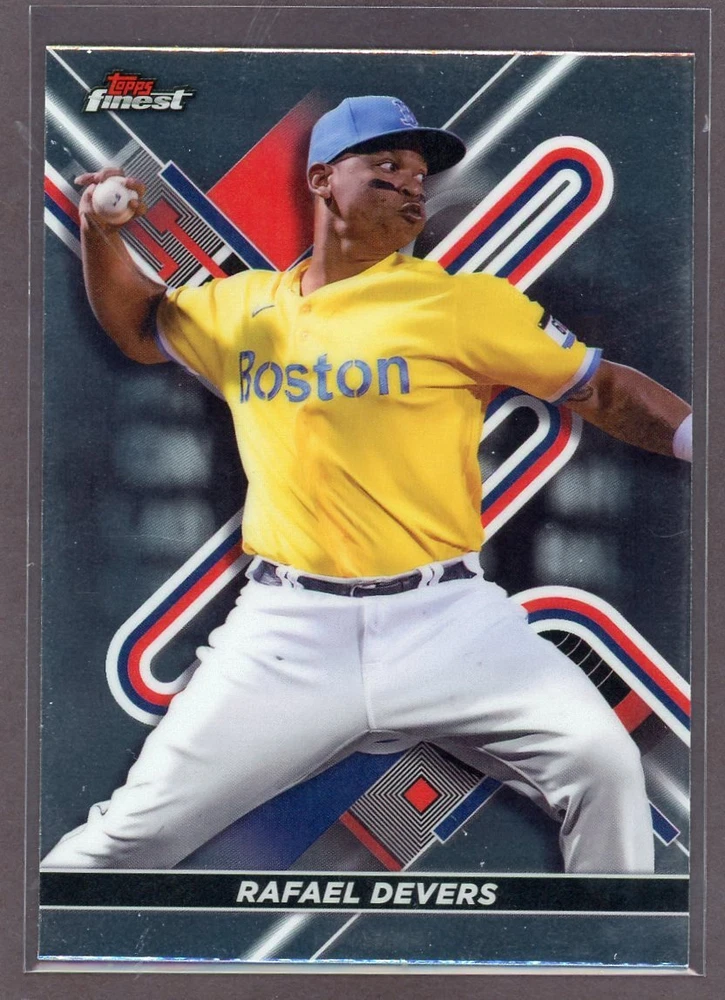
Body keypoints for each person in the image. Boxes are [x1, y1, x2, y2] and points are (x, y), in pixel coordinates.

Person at [42, 96, 692, 874]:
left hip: (447, 618)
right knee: (122, 843)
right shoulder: (240, 307)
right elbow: (140, 326)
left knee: (603, 767)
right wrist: (100, 232)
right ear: (322, 179)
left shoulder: (459, 303)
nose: (411, 185)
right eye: (386, 165)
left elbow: (602, 389)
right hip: (286, 630)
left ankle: (608, 941)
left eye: (419, 174)